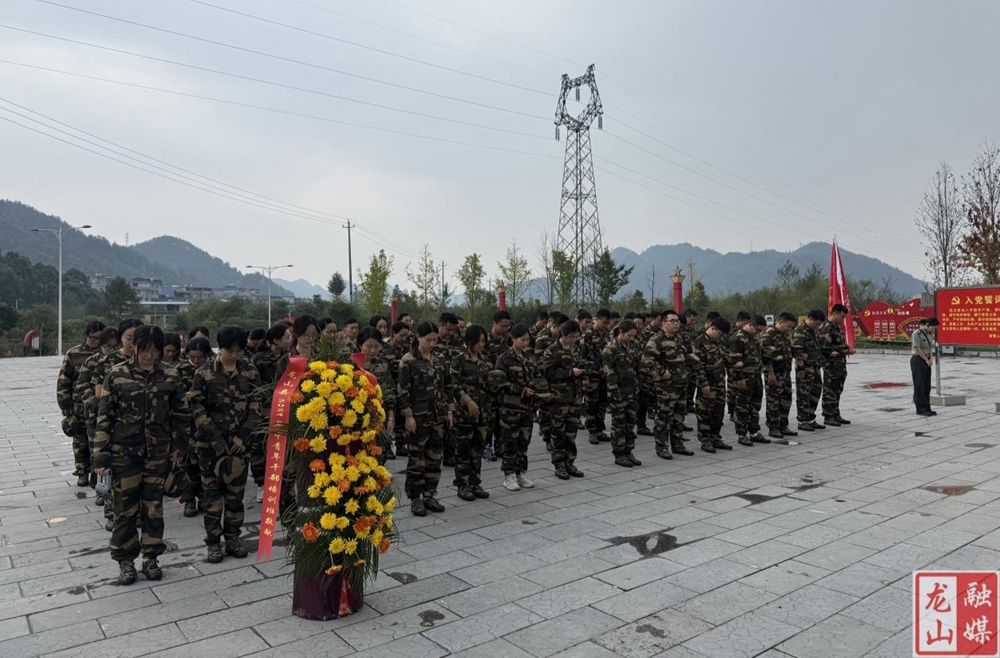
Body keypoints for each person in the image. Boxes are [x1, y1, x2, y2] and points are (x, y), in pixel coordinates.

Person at [93, 325, 189, 585]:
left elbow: (181, 416)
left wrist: (179, 450)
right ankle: (125, 562)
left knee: (153, 509)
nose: (149, 355)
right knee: (125, 511)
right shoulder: (116, 374)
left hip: (158, 454)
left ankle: (151, 557)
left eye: (155, 350)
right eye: (144, 350)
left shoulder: (171, 375)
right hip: (124, 455)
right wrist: (100, 455)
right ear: (134, 347)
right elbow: (105, 418)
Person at [188, 326, 262, 563]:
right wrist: (218, 443)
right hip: (210, 448)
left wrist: (242, 438)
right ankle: (213, 543)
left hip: (240, 446)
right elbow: (198, 411)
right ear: (221, 348)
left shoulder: (250, 370)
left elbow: (256, 405)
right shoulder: (204, 373)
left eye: (239, 351)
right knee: (212, 496)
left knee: (235, 496)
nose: (235, 355)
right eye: (231, 351)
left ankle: (232, 538)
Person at [86, 319, 143, 531]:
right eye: (129, 338)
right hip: (114, 425)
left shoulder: (147, 362)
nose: (133, 343)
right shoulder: (108, 361)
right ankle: (112, 513)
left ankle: (135, 512)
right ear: (120, 338)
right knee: (112, 472)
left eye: (137, 339)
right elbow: (99, 393)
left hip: (139, 431)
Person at [399, 321, 453, 517]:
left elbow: (447, 387)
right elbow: (403, 391)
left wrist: (449, 411)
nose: (431, 343)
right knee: (416, 459)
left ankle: (429, 495)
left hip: (438, 417)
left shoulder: (439, 360)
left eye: (434, 340)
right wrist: (408, 416)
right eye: (428, 340)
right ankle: (415, 499)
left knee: (434, 458)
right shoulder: (408, 360)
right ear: (418, 338)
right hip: (418, 418)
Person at [641, 311, 695, 460]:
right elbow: (646, 360)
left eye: (677, 321)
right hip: (666, 386)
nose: (676, 323)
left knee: (679, 417)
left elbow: (687, 356)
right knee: (664, 417)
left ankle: (677, 445)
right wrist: (661, 371)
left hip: (681, 384)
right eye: (672, 321)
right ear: (664, 323)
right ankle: (661, 447)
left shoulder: (679, 338)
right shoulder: (657, 340)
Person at [57, 320, 106, 487]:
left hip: (99, 407)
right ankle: (82, 471)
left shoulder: (105, 355)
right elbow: (64, 381)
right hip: (79, 407)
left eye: (99, 338)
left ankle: (96, 473)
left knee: (97, 443)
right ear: (86, 336)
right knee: (80, 443)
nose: (96, 341)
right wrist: (66, 407)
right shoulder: (74, 353)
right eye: (93, 338)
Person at [451, 325, 493, 501]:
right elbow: (454, 384)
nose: (481, 345)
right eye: (478, 341)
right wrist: (467, 401)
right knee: (464, 450)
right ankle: (462, 485)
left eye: (483, 341)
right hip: (465, 414)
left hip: (483, 414)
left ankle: (475, 483)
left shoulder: (486, 362)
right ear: (469, 341)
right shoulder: (459, 360)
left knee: (477, 449)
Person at [541, 319, 587, 479]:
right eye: (572, 337)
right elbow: (548, 373)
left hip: (575, 397)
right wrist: (570, 373)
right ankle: (559, 465)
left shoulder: (576, 349)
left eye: (576, 337)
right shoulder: (551, 350)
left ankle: (570, 463)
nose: (574, 340)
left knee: (571, 433)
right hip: (558, 398)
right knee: (558, 433)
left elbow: (581, 365)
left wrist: (584, 375)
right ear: (564, 335)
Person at [496, 324, 537, 491]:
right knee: (510, 441)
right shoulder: (504, 358)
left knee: (523, 442)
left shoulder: (530, 357)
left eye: (528, 340)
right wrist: (521, 390)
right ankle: (509, 475)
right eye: (522, 339)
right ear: (513, 338)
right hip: (510, 408)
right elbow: (499, 382)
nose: (526, 343)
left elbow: (536, 376)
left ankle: (521, 472)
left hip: (527, 408)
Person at [177, 337, 213, 517]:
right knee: (187, 465)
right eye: (193, 357)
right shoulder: (179, 370)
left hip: (207, 422)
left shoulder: (212, 369)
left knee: (205, 465)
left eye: (200, 357)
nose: (197, 360)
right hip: (186, 424)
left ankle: (204, 498)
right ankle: (189, 499)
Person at [603, 320, 642, 467]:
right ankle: (619, 454)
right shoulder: (610, 349)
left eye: (634, 336)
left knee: (630, 423)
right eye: (630, 336)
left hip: (632, 392)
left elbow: (637, 368)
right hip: (618, 393)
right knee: (619, 425)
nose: (632, 338)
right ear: (621, 333)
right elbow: (609, 374)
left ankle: (628, 451)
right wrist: (615, 393)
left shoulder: (632, 347)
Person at [693, 317, 732, 453]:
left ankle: (716, 437)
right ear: (713, 328)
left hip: (720, 383)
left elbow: (725, 359)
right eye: (719, 334)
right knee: (705, 413)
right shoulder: (699, 342)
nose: (720, 337)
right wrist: (704, 384)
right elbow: (698, 365)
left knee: (718, 413)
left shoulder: (720, 342)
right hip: (707, 384)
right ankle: (705, 440)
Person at [356, 327, 396, 460]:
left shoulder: (382, 364)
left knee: (378, 454)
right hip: (356, 418)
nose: (372, 350)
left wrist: (391, 417)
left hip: (379, 417)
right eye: (368, 346)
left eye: (376, 346)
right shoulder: (351, 364)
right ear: (360, 345)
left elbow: (389, 392)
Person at [730, 316, 769, 447]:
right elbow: (734, 362)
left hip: (756, 377)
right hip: (744, 378)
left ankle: (754, 432)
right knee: (742, 407)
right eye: (758, 330)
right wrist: (740, 378)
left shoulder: (754, 338)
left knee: (755, 407)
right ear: (751, 325)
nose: (759, 333)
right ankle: (742, 434)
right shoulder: (738, 338)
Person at [761, 313, 798, 440]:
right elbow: (765, 356)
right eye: (788, 326)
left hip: (785, 373)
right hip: (774, 374)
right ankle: (773, 427)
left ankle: (783, 426)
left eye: (791, 327)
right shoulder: (769, 334)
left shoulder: (784, 335)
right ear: (780, 322)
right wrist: (770, 373)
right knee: (773, 401)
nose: (790, 329)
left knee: (786, 400)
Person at [434, 313, 463, 467]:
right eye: (448, 329)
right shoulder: (431, 342)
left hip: (453, 388)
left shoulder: (457, 345)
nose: (451, 333)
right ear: (440, 326)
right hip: (436, 389)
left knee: (453, 423)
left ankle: (450, 454)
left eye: (453, 330)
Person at [793, 310, 827, 432]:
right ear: (811, 319)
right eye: (817, 323)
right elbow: (797, 351)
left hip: (815, 367)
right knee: (804, 395)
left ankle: (810, 418)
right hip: (805, 369)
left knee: (815, 393)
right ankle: (802, 420)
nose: (818, 326)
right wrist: (801, 369)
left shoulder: (814, 331)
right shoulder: (800, 331)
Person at [819, 304, 853, 426]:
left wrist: (845, 350)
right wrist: (843, 348)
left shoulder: (837, 327)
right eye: (842, 317)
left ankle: (835, 413)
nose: (843, 320)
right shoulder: (826, 327)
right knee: (829, 390)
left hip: (840, 364)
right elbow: (824, 347)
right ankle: (828, 415)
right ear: (834, 313)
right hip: (830, 365)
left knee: (837, 390)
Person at [582, 309, 612, 445]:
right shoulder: (587, 335)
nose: (606, 325)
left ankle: (600, 429)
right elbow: (581, 357)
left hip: (604, 375)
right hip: (592, 375)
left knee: (603, 402)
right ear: (597, 320)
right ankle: (592, 431)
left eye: (607, 323)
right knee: (591, 403)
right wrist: (584, 376)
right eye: (604, 322)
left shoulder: (607, 334)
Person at [385, 321, 412, 458]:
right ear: (394, 333)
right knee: (390, 418)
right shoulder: (386, 348)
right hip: (390, 386)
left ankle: (401, 445)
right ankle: (387, 447)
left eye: (406, 335)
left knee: (402, 418)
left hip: (403, 387)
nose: (404, 338)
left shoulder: (408, 347)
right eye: (401, 335)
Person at [911, 317, 939, 416]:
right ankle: (920, 408)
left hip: (927, 361)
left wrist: (931, 358)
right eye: (933, 328)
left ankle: (927, 407)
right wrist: (926, 360)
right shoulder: (916, 334)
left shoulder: (929, 335)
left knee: (927, 385)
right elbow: (917, 348)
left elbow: (930, 348)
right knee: (919, 385)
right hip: (918, 360)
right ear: (927, 325)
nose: (933, 330)